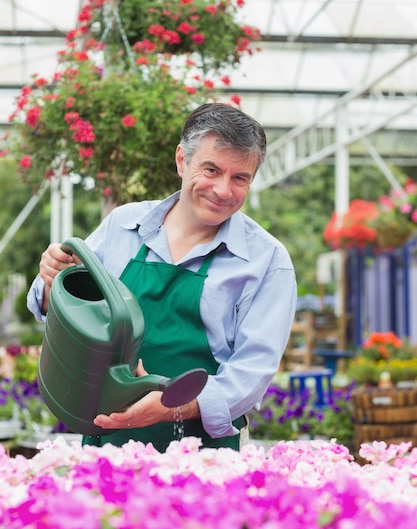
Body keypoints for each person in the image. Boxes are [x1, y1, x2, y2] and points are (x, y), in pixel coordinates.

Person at [27, 102, 297, 453]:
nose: (223, 190)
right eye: (211, 169)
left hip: (205, 453)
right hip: (109, 438)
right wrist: (52, 280)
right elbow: (61, 307)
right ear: (182, 160)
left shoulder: (267, 261)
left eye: (240, 177)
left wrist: (173, 406)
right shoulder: (124, 226)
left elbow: (253, 371)